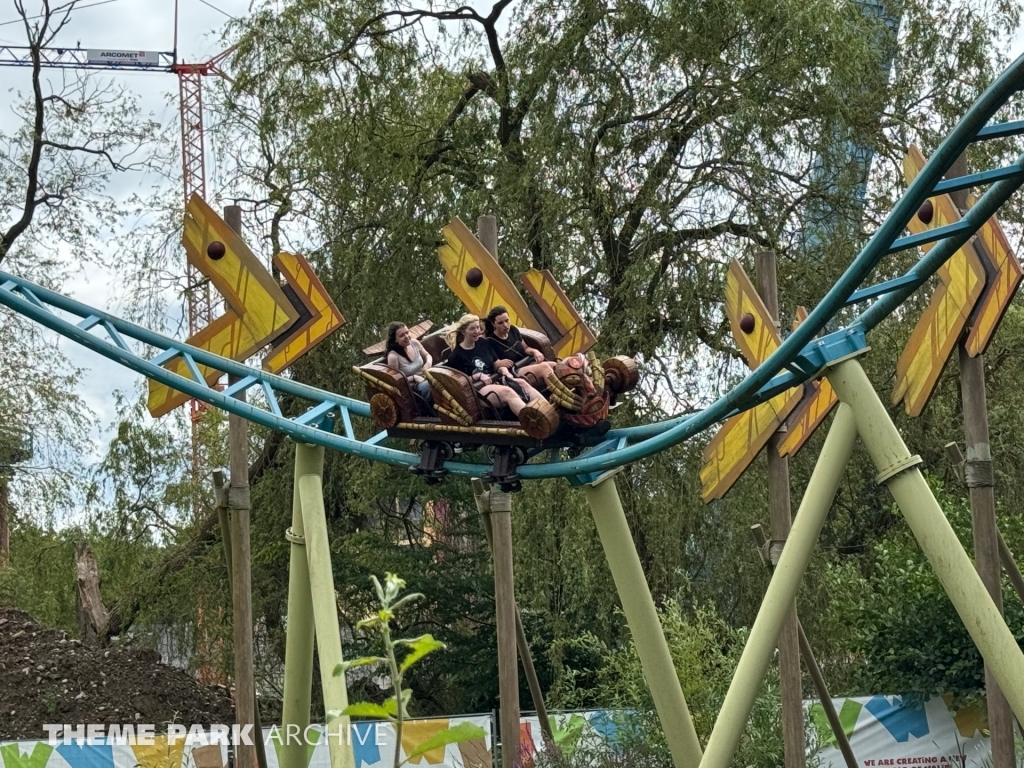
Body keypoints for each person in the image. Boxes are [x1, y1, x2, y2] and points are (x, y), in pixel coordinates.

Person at [444, 313, 543, 417]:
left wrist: (505, 373)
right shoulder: (456, 356)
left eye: (477, 327)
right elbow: (458, 384)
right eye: (472, 329)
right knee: (507, 392)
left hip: (495, 380)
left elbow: (497, 363)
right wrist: (477, 376)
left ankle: (547, 411)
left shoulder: (483, 343)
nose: (477, 331)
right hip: (478, 390)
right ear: (463, 331)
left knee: (522, 382)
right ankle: (533, 420)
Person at [483, 306, 555, 388]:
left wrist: (536, 352)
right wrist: (499, 364)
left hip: (528, 363)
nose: (505, 325)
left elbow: (526, 348)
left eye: (507, 321)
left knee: (555, 366)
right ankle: (561, 396)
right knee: (544, 368)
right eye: (500, 323)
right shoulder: (490, 341)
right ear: (493, 324)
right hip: (515, 371)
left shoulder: (513, 330)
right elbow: (494, 364)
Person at [385, 321, 432, 403]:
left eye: (407, 332)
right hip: (413, 389)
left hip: (426, 377)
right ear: (395, 340)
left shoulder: (414, 343)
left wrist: (427, 364)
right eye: (402, 335)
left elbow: (428, 355)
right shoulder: (393, 356)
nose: (406, 336)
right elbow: (395, 381)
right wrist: (414, 377)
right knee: (432, 387)